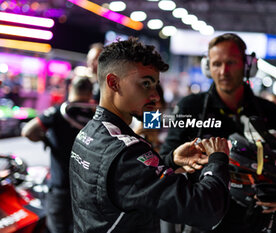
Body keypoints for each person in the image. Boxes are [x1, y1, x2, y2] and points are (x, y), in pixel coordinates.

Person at [69, 37, 231, 233]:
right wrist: (217, 159)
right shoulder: (126, 152)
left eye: (154, 85)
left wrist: (169, 161)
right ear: (113, 83)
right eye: (146, 84)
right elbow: (206, 210)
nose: (155, 96)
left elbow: (125, 183)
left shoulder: (89, 131)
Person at [160, 33, 276, 233]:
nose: (223, 71)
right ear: (208, 67)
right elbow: (165, 161)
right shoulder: (190, 107)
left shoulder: (270, 111)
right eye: (216, 64)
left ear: (247, 65)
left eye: (231, 62)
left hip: (263, 221)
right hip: (206, 221)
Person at [21, 76, 95, 233]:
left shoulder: (58, 111)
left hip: (60, 187)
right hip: (88, 189)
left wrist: (45, 140)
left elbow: (28, 131)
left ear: (70, 89)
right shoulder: (96, 115)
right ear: (90, 92)